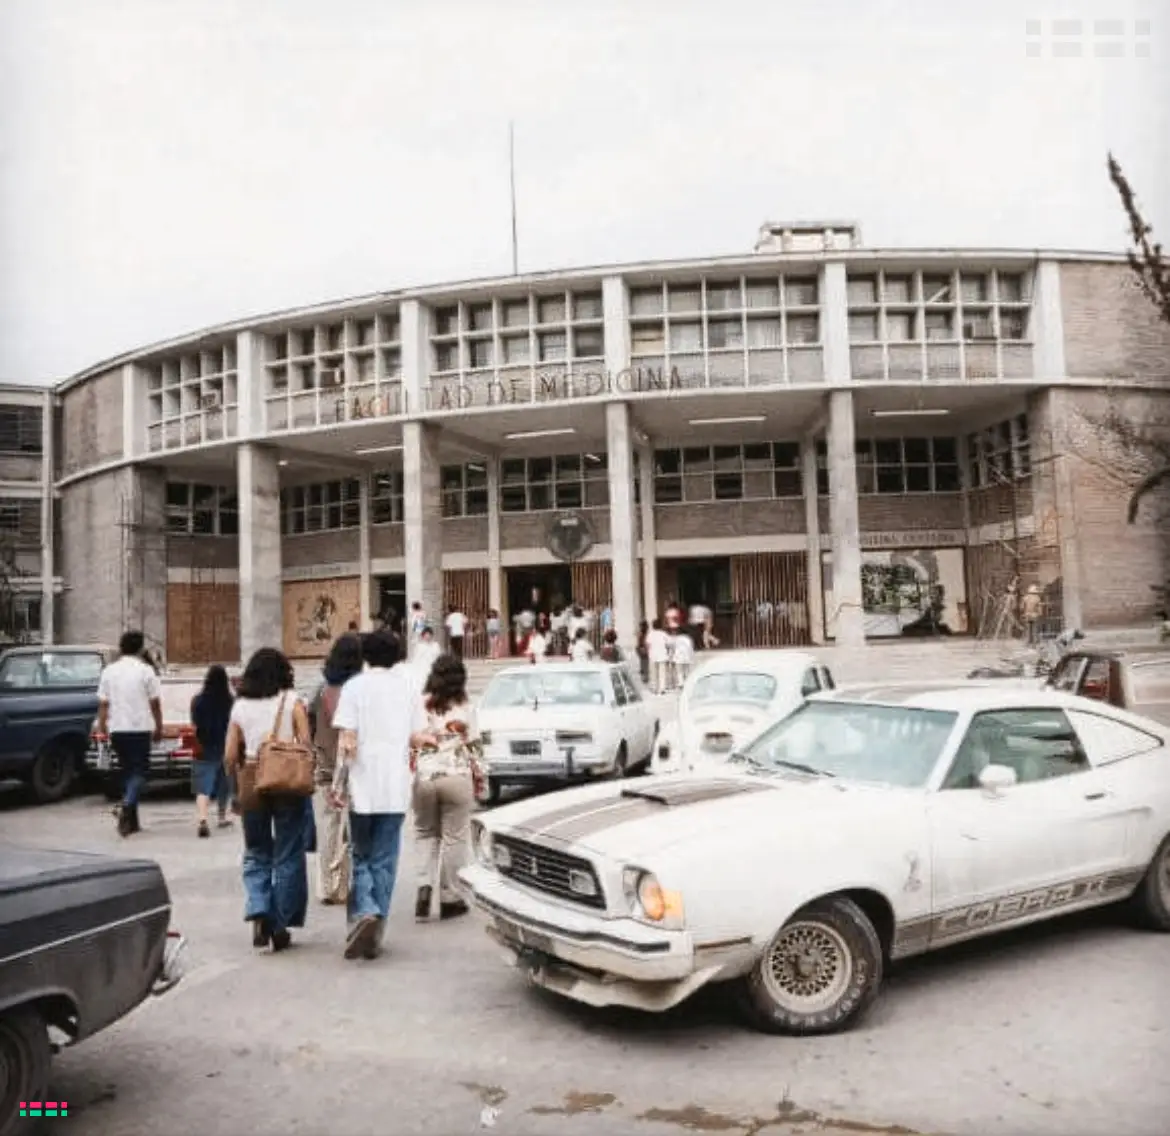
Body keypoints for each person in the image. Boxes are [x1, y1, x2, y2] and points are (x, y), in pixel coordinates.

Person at [332, 630, 434, 960]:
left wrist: (338, 783)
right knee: (385, 858)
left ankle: (366, 910)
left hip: (362, 785)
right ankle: (375, 928)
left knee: (360, 853)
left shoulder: (354, 687)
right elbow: (418, 737)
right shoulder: (408, 688)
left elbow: (347, 740)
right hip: (395, 786)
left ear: (366, 654)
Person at [225, 648, 311, 953]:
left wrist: (235, 788)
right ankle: (279, 922)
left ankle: (259, 906)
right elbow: (306, 744)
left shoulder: (240, 706)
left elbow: (229, 755)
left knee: (256, 850)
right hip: (286, 779)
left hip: (251, 778)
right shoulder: (292, 701)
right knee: (288, 852)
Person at [412, 654, 479, 922]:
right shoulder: (466, 707)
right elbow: (475, 746)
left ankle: (423, 887)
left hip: (425, 776)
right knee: (455, 837)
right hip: (456, 776)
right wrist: (480, 777)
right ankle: (450, 896)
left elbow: (412, 740)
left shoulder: (421, 705)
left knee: (425, 833)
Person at [311, 633, 364, 905]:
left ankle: (327, 886)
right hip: (355, 769)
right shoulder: (360, 692)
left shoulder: (320, 692)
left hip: (324, 769)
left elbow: (311, 728)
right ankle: (345, 884)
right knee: (354, 832)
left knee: (328, 829)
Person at [96, 630, 164, 837]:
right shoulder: (146, 671)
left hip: (117, 728)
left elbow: (104, 703)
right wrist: (159, 726)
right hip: (140, 728)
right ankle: (126, 805)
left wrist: (102, 725)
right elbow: (155, 703)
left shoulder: (109, 671)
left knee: (127, 771)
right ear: (141, 648)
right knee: (140, 772)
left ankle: (131, 822)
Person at [190, 664, 234, 838]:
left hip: (204, 746)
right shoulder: (230, 701)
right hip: (225, 746)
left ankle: (202, 818)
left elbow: (194, 724)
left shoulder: (198, 701)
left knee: (203, 786)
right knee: (224, 783)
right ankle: (222, 816)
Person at [647, 619, 670, 694]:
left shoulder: (650, 634)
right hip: (662, 655)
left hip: (653, 655)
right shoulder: (664, 634)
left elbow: (648, 645)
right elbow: (668, 644)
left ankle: (654, 687)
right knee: (662, 673)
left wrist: (649, 652)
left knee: (653, 673)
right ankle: (662, 688)